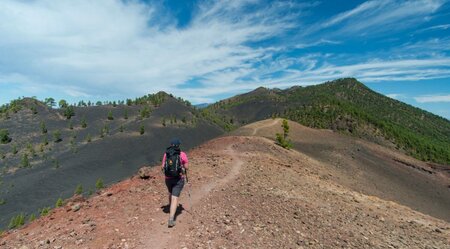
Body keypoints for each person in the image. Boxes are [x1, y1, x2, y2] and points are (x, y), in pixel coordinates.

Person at [161, 138, 188, 227]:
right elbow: (186, 167)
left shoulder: (166, 154)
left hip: (168, 179)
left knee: (170, 192)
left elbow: (162, 167)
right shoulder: (182, 154)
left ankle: (170, 207)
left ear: (171, 144)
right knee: (175, 197)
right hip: (178, 178)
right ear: (178, 145)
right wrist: (183, 168)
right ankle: (171, 218)